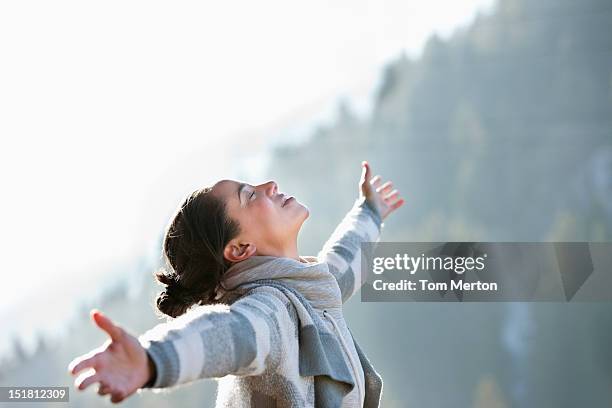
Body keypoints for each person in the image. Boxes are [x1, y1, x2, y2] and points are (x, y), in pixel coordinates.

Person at [67, 160, 404, 407]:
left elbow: (341, 265)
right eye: (249, 196)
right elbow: (227, 333)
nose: (269, 186)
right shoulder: (271, 312)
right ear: (240, 249)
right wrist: (152, 359)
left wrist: (370, 213)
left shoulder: (306, 292)